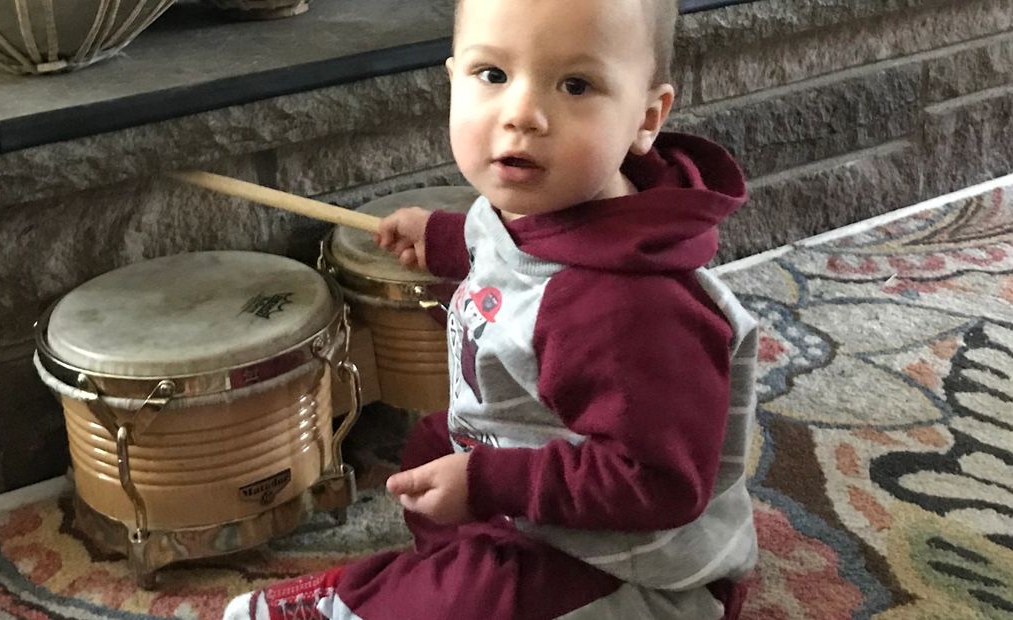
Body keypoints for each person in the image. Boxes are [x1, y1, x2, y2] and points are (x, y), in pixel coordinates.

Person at [225, 0, 759, 617]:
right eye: (493, 75)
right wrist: (443, 237)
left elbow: (658, 482)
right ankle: (454, 563)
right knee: (434, 443)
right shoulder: (539, 201)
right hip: (532, 472)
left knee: (483, 596)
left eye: (576, 85)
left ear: (646, 117)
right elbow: (504, 239)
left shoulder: (633, 310)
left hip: (629, 561)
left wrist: (488, 483)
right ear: (453, 80)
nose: (522, 115)